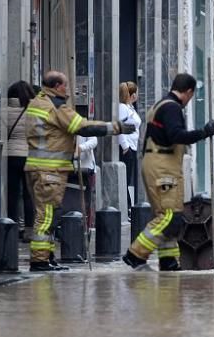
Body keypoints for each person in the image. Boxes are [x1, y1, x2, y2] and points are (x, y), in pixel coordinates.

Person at [25, 70, 134, 272]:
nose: (68, 89)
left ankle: (47, 257)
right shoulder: (56, 107)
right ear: (57, 86)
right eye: (66, 85)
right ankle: (40, 260)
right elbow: (83, 127)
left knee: (47, 214)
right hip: (50, 170)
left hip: (37, 168)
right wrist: (115, 127)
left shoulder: (36, 103)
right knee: (47, 215)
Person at [123, 73, 214, 272]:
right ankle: (136, 254)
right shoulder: (172, 108)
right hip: (162, 165)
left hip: (159, 163)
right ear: (189, 92)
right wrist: (204, 132)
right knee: (169, 217)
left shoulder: (162, 105)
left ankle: (168, 260)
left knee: (169, 218)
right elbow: (177, 135)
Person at [6, 80, 36, 239]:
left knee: (12, 194)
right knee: (28, 194)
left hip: (10, 156)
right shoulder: (33, 110)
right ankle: (29, 230)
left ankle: (12, 227)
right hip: (28, 156)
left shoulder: (4, 110)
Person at [117, 81, 142, 210]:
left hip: (132, 146)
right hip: (127, 148)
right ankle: (127, 207)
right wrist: (125, 146)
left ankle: (128, 207)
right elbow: (119, 127)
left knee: (128, 178)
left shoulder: (129, 108)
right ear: (132, 95)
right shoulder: (123, 108)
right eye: (136, 93)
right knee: (125, 179)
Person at [75, 134, 97, 228]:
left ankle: (85, 227)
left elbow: (94, 141)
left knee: (86, 201)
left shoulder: (84, 122)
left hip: (86, 168)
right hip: (68, 169)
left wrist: (81, 148)